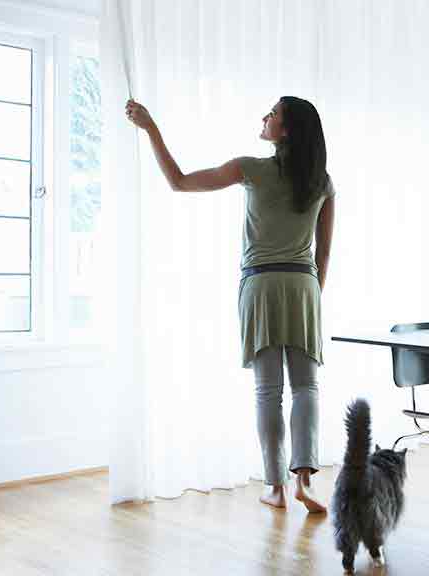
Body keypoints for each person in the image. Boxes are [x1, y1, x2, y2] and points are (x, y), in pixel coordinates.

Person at [126, 96, 335, 514]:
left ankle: (274, 487)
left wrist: (151, 129)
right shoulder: (322, 181)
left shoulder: (251, 168)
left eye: (272, 113)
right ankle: (305, 483)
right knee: (306, 388)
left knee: (268, 392)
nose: (264, 117)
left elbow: (179, 181)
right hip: (303, 286)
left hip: (259, 285)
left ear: (288, 129)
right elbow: (323, 253)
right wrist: (311, 295)